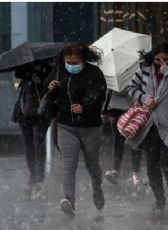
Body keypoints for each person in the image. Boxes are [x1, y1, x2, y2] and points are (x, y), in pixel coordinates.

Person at [45, 43, 107, 217]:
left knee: (92, 164)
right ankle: (69, 201)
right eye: (68, 62)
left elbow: (99, 94)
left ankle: (97, 188)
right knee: (68, 165)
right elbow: (46, 85)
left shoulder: (94, 73)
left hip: (90, 127)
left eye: (75, 62)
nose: (71, 65)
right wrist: (50, 86)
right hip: (66, 126)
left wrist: (85, 106)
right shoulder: (59, 70)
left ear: (83, 60)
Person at [127, 43, 168, 211]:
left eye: (165, 59)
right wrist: (145, 98)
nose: (161, 62)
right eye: (157, 59)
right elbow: (131, 89)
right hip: (149, 124)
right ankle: (159, 199)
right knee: (152, 164)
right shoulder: (144, 70)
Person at [12, 60, 53, 188]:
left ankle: (39, 175)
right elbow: (18, 73)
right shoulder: (25, 61)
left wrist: (42, 80)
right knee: (29, 144)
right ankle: (33, 174)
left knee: (39, 142)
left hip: (41, 108)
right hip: (25, 110)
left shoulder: (49, 63)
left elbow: (53, 76)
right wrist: (30, 75)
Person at [102, 87, 143, 186]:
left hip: (119, 110)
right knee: (133, 141)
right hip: (128, 110)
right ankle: (135, 174)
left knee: (119, 142)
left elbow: (109, 92)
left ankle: (118, 170)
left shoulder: (114, 75)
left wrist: (104, 110)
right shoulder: (133, 74)